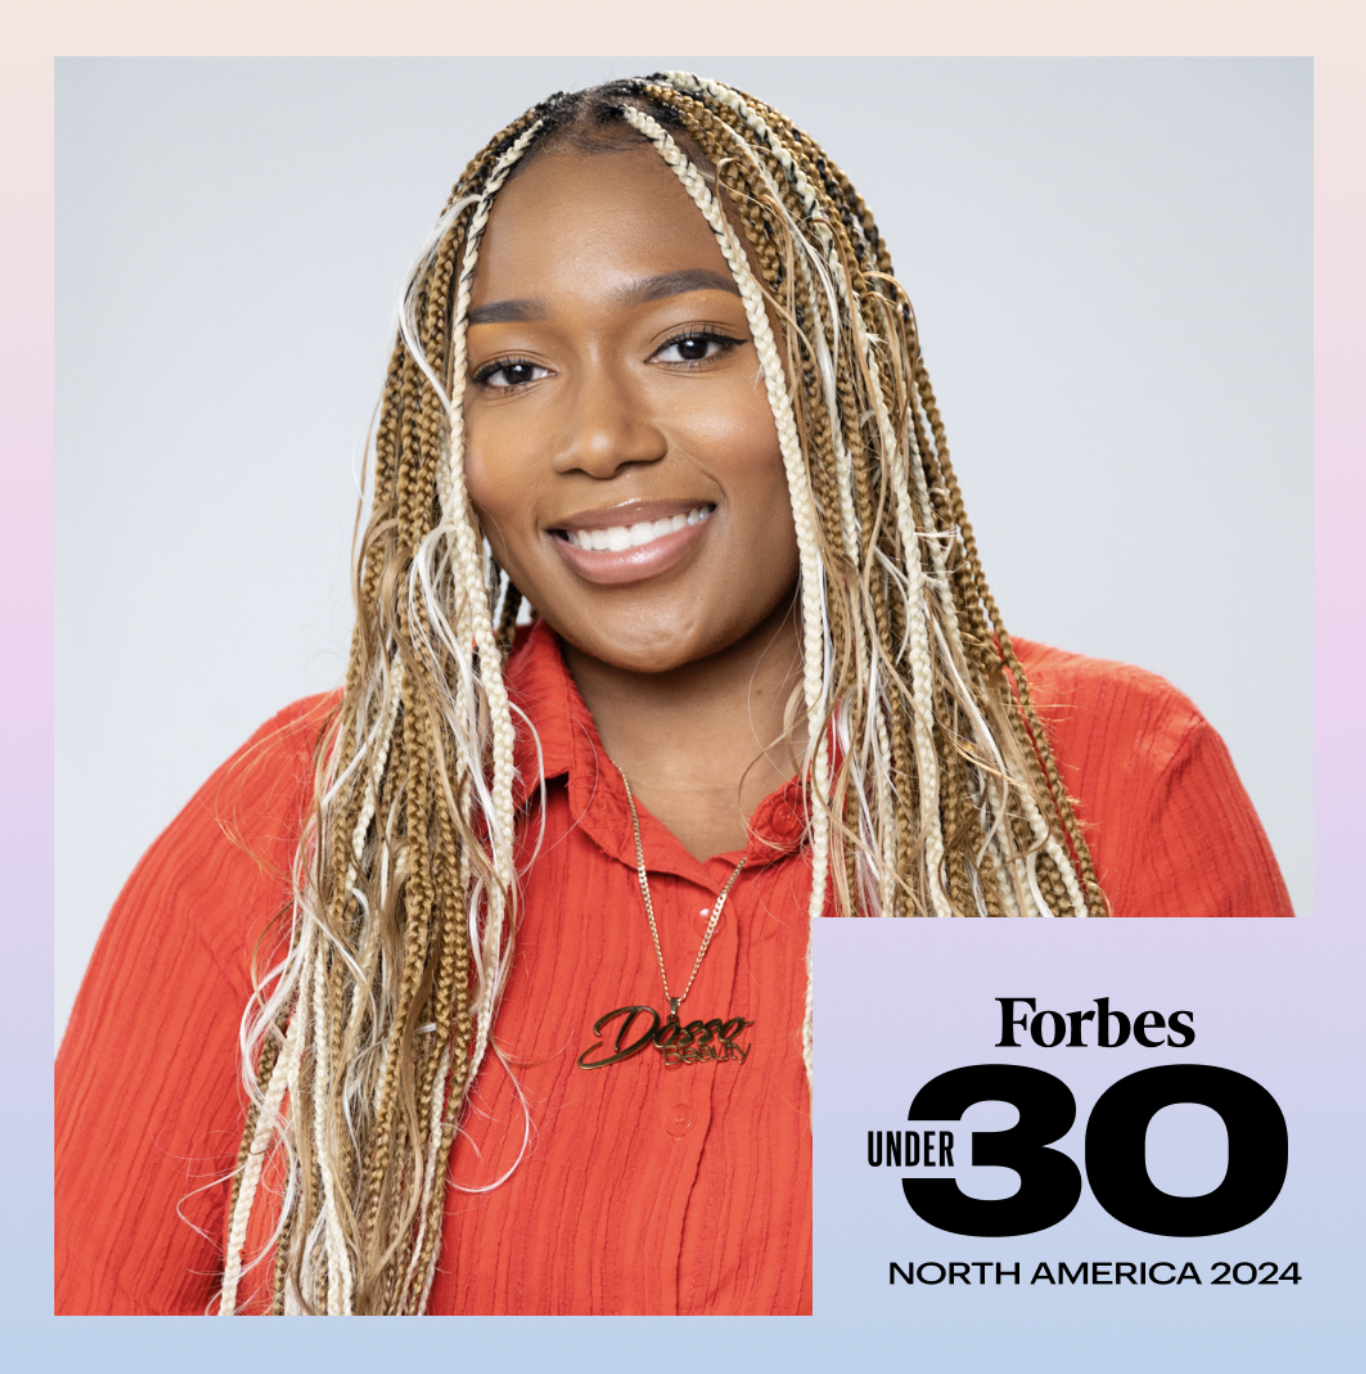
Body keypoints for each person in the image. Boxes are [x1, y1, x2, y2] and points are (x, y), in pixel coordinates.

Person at [54, 73, 1292, 1319]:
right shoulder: (301, 822)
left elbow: (1197, 1328)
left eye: (690, 343)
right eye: (514, 370)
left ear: (831, 375)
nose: (598, 438)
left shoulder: (1095, 779)